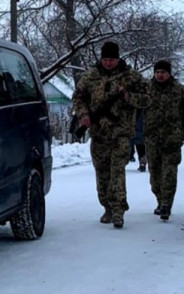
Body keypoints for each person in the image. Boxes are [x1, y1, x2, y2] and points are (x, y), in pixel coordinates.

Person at [72, 40, 149, 228]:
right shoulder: (90, 76)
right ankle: (107, 206)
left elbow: (147, 98)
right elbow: (78, 97)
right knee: (102, 173)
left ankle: (118, 211)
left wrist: (127, 97)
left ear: (118, 58)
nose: (108, 63)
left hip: (121, 133)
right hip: (98, 133)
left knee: (117, 171)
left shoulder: (131, 77)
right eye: (105, 59)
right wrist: (83, 115)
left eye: (111, 60)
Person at [143, 59, 184, 221]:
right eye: (157, 72)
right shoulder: (146, 89)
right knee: (155, 174)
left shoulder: (179, 91)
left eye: (163, 72)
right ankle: (160, 200)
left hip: (172, 138)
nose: (160, 75)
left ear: (169, 73)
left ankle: (167, 204)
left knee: (169, 173)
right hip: (152, 138)